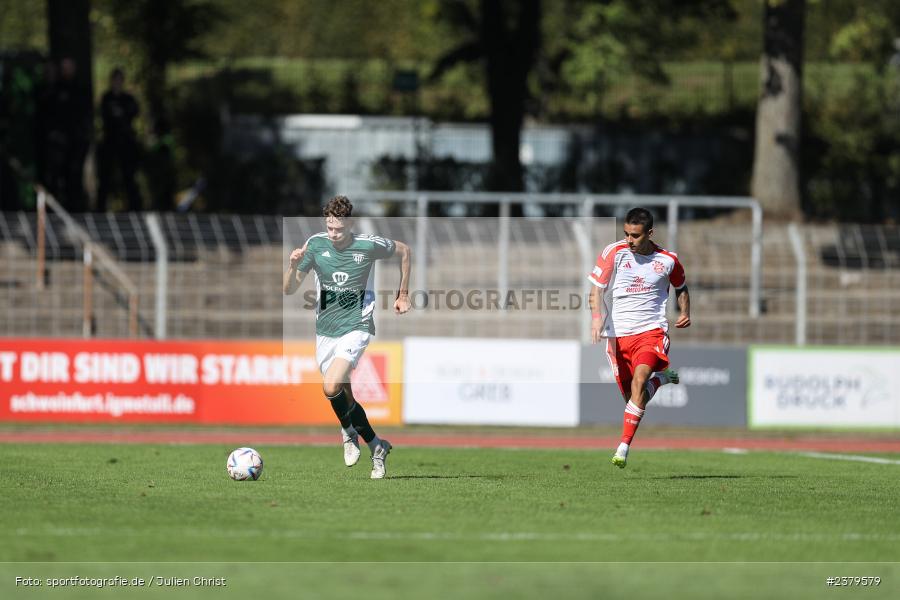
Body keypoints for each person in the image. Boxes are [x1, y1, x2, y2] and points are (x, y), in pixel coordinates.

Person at [283, 195, 411, 479]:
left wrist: (403, 294)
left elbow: (404, 251)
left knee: (331, 387)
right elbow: (289, 289)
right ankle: (377, 446)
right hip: (325, 331)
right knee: (345, 397)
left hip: (357, 325)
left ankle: (348, 432)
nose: (333, 234)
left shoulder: (368, 245)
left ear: (350, 224)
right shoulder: (315, 245)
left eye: (339, 229)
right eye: (329, 228)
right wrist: (292, 266)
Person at [587, 207, 691, 468]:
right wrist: (597, 319)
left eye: (635, 235)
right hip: (617, 336)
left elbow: (681, 287)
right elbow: (596, 290)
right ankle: (662, 379)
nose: (629, 240)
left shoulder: (668, 260)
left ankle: (622, 448)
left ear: (650, 233)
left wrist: (685, 312)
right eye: (626, 234)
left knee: (639, 381)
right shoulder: (614, 252)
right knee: (634, 398)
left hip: (650, 332)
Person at [97, 68, 142, 211]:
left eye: (119, 80)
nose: (117, 83)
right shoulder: (106, 98)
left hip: (126, 142)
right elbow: (106, 115)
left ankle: (135, 208)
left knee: (129, 176)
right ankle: (100, 208)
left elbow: (134, 112)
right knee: (105, 176)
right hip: (110, 141)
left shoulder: (128, 98)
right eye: (115, 79)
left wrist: (121, 114)